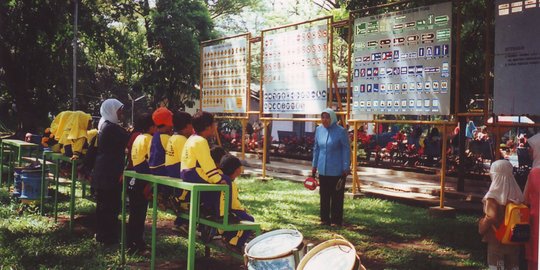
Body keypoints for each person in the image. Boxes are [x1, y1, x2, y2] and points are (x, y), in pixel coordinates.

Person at [92, 99, 130, 245]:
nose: (121, 113)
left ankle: (102, 235)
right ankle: (108, 238)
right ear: (112, 110)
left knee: (103, 206)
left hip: (103, 170)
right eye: (119, 110)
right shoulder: (112, 128)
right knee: (110, 206)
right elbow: (129, 139)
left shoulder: (104, 125)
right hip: (109, 172)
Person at [478, 159, 524, 270]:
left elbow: (491, 217)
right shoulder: (517, 195)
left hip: (496, 239)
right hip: (514, 239)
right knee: (513, 266)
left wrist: (481, 227)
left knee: (496, 266)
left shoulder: (493, 196)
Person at [181, 111, 227, 217]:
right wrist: (217, 179)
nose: (215, 126)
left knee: (214, 181)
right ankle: (221, 214)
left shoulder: (192, 138)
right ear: (208, 127)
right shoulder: (201, 141)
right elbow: (207, 163)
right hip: (193, 172)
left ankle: (207, 209)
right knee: (226, 180)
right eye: (213, 124)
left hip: (186, 172)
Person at [312, 108, 351, 226]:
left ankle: (336, 220)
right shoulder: (319, 130)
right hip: (323, 168)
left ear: (332, 118)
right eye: (322, 117)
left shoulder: (341, 131)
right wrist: (314, 165)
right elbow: (316, 148)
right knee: (324, 195)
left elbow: (346, 149)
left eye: (327, 117)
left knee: (336, 196)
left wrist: (345, 166)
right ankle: (324, 219)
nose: (324, 120)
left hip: (337, 170)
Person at [127, 112, 155, 252]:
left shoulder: (138, 137)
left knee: (134, 214)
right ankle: (138, 244)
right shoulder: (150, 139)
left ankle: (131, 242)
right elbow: (152, 161)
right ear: (151, 127)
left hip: (134, 178)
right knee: (139, 214)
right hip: (144, 180)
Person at [219, 154, 255, 251]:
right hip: (229, 211)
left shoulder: (220, 179)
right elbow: (233, 204)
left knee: (241, 217)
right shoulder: (230, 184)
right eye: (239, 168)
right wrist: (241, 210)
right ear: (234, 170)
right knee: (250, 220)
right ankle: (235, 243)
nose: (240, 171)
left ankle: (228, 237)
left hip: (218, 211)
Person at [525, 133, 540, 269]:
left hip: (536, 220)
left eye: (532, 147)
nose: (529, 150)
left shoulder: (534, 174)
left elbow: (525, 198)